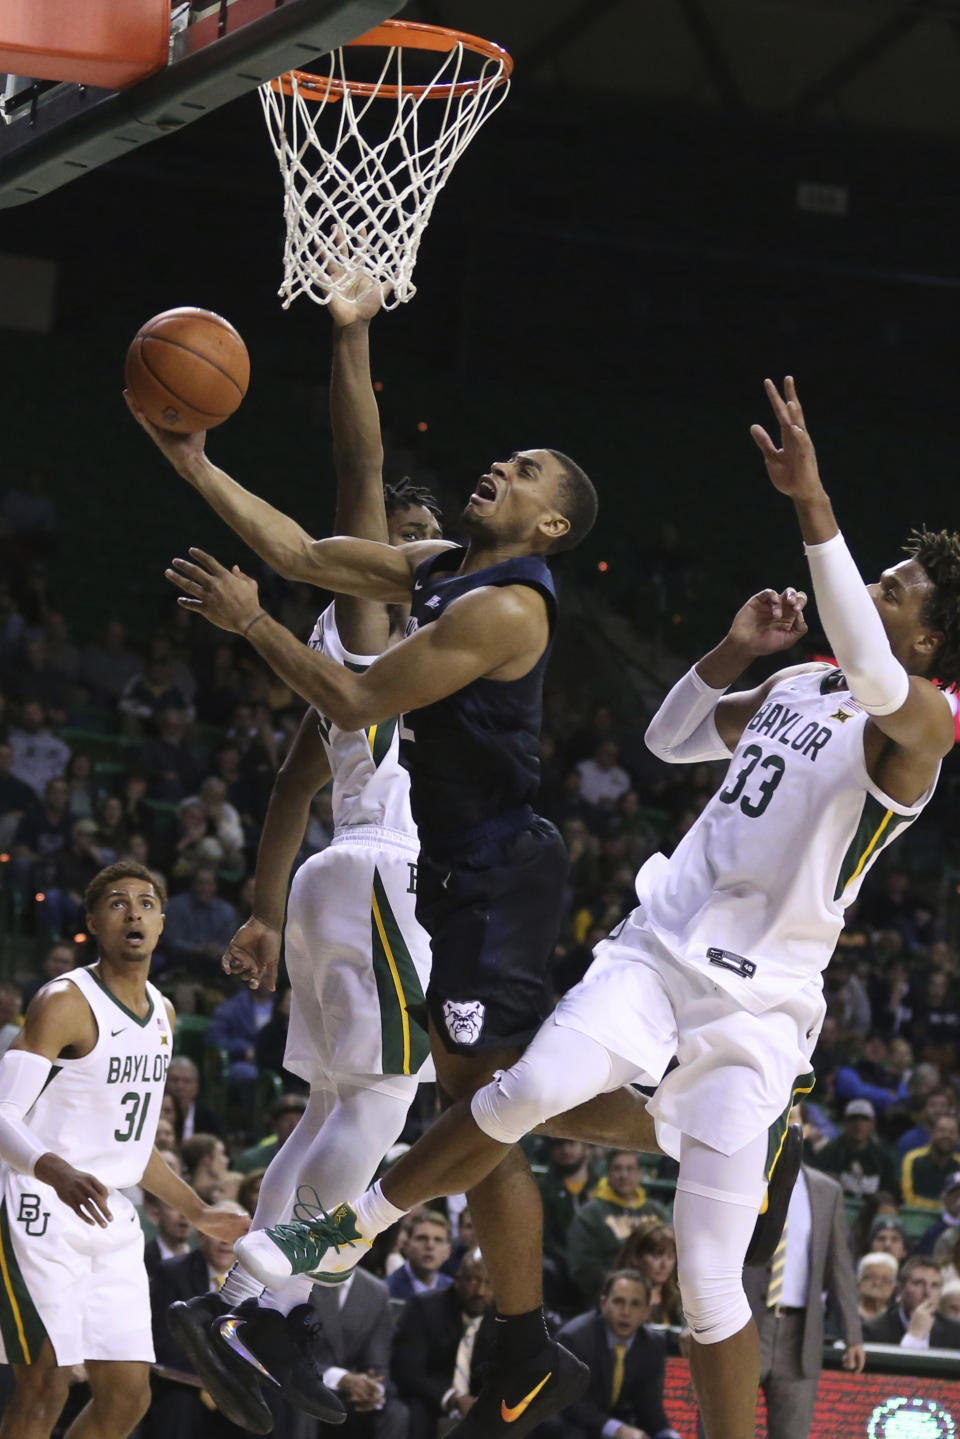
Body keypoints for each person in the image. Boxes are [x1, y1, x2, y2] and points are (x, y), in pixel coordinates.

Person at [244, 376, 960, 1439]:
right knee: (523, 1086)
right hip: (659, 947)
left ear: (931, 640)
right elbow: (671, 737)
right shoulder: (805, 683)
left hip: (759, 1011)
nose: (878, 589)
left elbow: (870, 657)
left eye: (897, 586)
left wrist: (814, 506)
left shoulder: (926, 730)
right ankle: (324, 1242)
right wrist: (734, 649)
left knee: (714, 1287)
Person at [135, 262, 675, 1437]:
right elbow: (311, 540)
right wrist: (199, 461)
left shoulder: (504, 607)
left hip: (487, 881)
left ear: (547, 525)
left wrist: (250, 624)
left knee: (465, 1122)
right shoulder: (442, 575)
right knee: (479, 1119)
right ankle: (320, 1306)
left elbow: (352, 691)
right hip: (441, 873)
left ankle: (295, 1297)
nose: (501, 465)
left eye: (525, 470)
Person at [139, 270, 443, 1432]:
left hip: (332, 879)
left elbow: (289, 782)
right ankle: (263, 1301)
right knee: (381, 1105)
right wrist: (353, 337)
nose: (423, 550)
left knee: (325, 1113)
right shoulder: (381, 614)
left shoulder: (368, 658)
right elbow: (359, 477)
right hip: (383, 873)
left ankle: (238, 1293)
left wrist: (263, 910)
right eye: (413, 540)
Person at [0, 860, 249, 1439]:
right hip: (36, 1206)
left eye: (146, 902)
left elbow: (132, 1147)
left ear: (162, 923)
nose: (133, 911)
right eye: (116, 902)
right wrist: (54, 1169)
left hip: (109, 1213)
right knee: (45, 1384)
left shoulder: (162, 1014)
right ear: (92, 922)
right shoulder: (63, 1001)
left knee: (129, 1397)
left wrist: (196, 1211)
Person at [742, 1160, 863, 1439]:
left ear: (805, 1128)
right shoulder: (739, 1173)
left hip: (800, 1334)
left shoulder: (826, 1190)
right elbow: (709, 1250)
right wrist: (694, 1320)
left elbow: (839, 1267)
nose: (787, 1123)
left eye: (794, 1116)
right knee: (722, 1429)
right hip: (741, 1325)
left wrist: (853, 1336)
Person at [554, 1269, 680, 1439]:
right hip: (571, 1423)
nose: (626, 1312)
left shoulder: (652, 1344)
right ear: (604, 1304)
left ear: (646, 1311)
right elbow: (570, 1404)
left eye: (635, 1304)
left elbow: (650, 1408)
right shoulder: (574, 1338)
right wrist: (616, 1429)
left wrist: (668, 1434)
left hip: (617, 1422)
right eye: (619, 1302)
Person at [391, 1249, 497, 1439]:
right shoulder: (424, 1308)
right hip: (432, 1399)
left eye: (488, 1283)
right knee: (413, 1412)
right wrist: (454, 1399)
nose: (480, 1291)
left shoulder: (504, 1319)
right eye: (473, 1280)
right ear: (456, 1280)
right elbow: (409, 1373)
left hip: (482, 1403)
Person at [565, 1151, 667, 1304]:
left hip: (661, 1295)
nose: (623, 1175)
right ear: (608, 1173)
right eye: (617, 1169)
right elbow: (584, 1268)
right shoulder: (591, 1213)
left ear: (640, 1174)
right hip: (610, 1297)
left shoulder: (656, 1211)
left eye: (630, 1169)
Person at [862, 1255, 960, 1348]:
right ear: (900, 1289)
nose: (927, 1293)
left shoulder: (955, 1332)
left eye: (934, 1285)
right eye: (918, 1283)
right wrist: (914, 1337)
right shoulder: (873, 1330)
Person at [809, 1098, 897, 1199]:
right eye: (853, 1119)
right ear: (845, 1123)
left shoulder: (883, 1156)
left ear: (873, 1124)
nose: (858, 1124)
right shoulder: (830, 1152)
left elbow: (890, 1192)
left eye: (864, 1119)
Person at [386, 1209, 453, 1301]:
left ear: (448, 1251)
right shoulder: (386, 1291)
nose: (430, 1246)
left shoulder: (455, 1291)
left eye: (438, 1240)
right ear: (406, 1245)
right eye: (421, 1238)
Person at [901, 1114, 960, 1209]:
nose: (947, 1136)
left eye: (952, 1132)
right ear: (932, 1133)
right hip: (917, 1215)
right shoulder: (913, 1158)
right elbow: (908, 1196)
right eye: (942, 1131)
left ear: (958, 1137)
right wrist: (942, 1206)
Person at [856, 1251, 898, 1322]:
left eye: (885, 1279)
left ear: (893, 1287)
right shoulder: (845, 1312)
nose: (877, 1283)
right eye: (872, 1277)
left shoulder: (896, 1319)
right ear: (859, 1282)